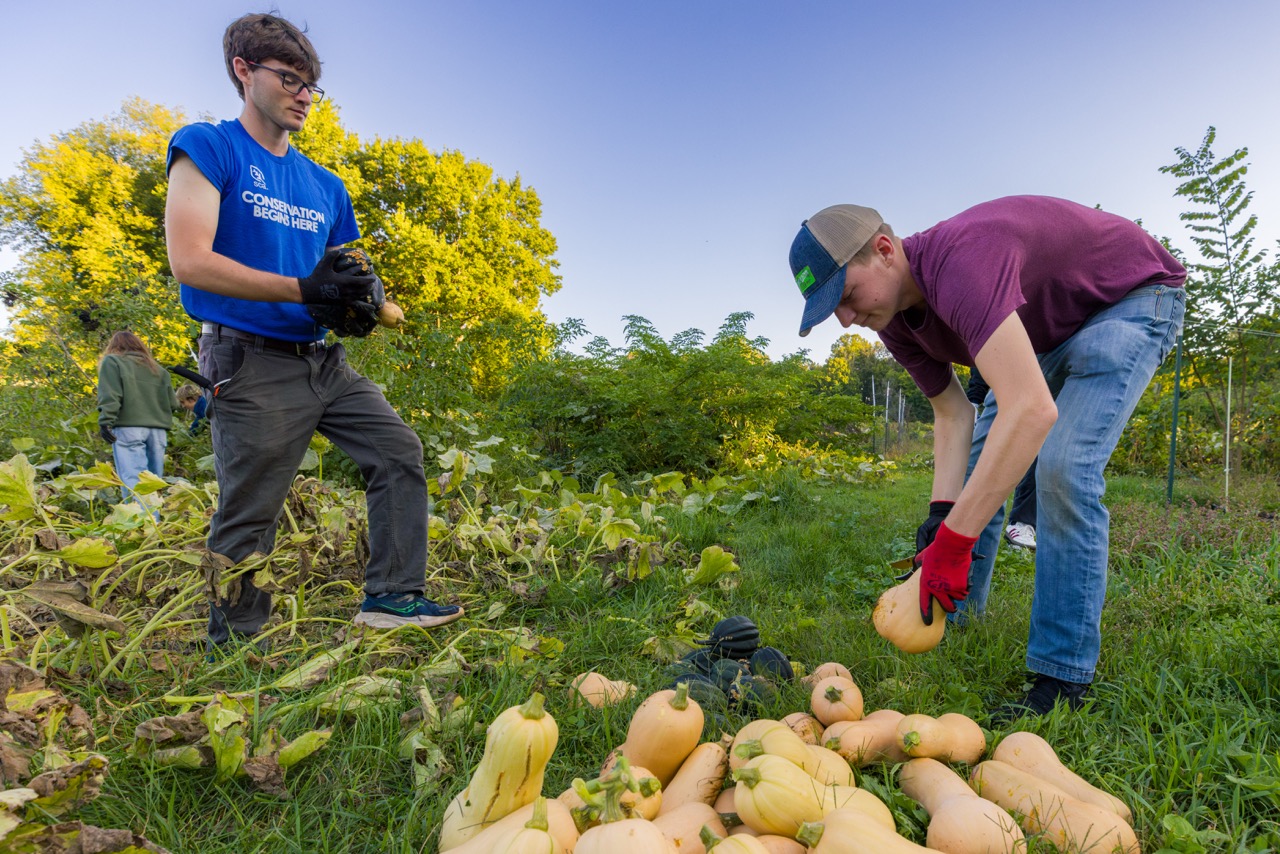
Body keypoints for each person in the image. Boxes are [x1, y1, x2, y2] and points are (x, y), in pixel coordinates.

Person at [788, 196, 1185, 718]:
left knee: (1063, 466)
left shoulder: (960, 264)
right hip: (1047, 329)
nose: (844, 320)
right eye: (831, 309)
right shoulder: (892, 319)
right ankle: (955, 613)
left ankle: (1061, 678)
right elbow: (953, 413)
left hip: (1127, 298)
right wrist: (941, 515)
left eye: (846, 295)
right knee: (982, 474)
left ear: (884, 251)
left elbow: (1031, 409)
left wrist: (957, 541)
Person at [164, 12, 463, 649]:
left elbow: (350, 272)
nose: (304, 96)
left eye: (311, 86)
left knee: (397, 451)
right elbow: (190, 259)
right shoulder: (209, 146)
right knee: (251, 511)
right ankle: (235, 645)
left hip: (322, 361)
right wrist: (305, 290)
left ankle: (392, 595)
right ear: (244, 72)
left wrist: (362, 304)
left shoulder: (325, 185)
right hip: (247, 359)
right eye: (290, 80)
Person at [97, 331, 179, 503]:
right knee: (153, 481)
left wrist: (106, 421)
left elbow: (111, 395)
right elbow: (173, 404)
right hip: (158, 432)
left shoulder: (113, 361)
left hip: (129, 428)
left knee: (134, 479)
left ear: (114, 347)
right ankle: (154, 524)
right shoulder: (159, 370)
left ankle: (141, 525)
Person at [966, 367, 1036, 549]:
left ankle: (1022, 522)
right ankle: (956, 529)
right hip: (1007, 375)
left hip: (1050, 369)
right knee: (981, 462)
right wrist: (974, 400)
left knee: (1041, 451)